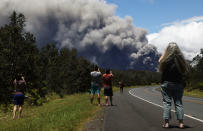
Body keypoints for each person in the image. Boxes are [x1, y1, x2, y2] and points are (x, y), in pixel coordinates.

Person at [159, 42, 188, 129]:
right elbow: (184, 71)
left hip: (167, 84)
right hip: (179, 84)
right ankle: (181, 124)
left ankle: (167, 124)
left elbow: (159, 61)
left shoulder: (165, 60)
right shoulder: (181, 61)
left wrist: (165, 51)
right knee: (178, 103)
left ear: (168, 50)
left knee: (167, 103)